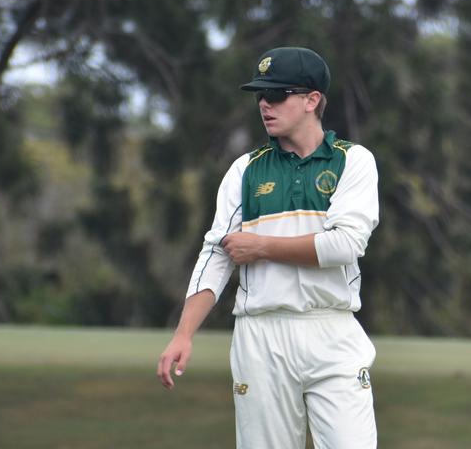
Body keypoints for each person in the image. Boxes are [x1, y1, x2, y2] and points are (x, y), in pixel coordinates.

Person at [156, 46, 381, 449]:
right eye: (261, 96)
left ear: (312, 100)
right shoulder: (245, 169)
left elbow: (344, 245)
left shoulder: (353, 161)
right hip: (260, 338)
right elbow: (216, 254)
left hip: (331, 329)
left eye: (276, 95)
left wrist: (261, 246)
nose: (264, 104)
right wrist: (183, 334)